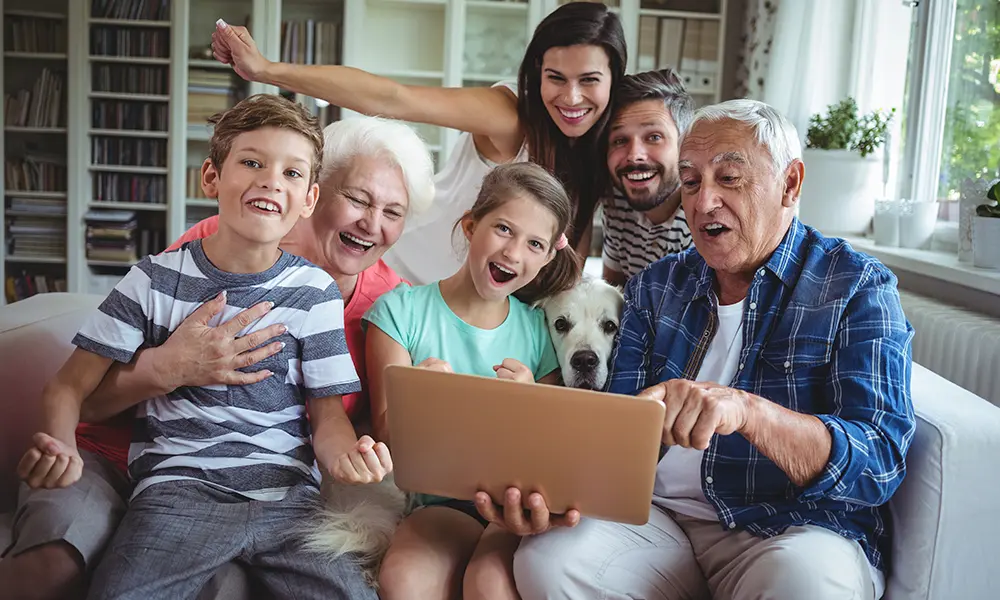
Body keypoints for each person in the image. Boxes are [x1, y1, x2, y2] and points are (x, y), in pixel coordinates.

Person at [0, 113, 435, 600]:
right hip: (171, 486)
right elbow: (71, 387)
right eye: (357, 198)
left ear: (305, 194)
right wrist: (163, 370)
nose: (371, 222)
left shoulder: (335, 297)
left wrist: (349, 458)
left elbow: (328, 418)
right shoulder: (160, 275)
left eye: (392, 212)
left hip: (286, 498)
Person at [513, 99, 916, 600]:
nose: (703, 203)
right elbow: (611, 425)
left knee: (805, 583)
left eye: (729, 178)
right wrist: (545, 484)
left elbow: (879, 461)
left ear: (790, 184)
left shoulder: (855, 286)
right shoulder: (656, 287)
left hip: (792, 529)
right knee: (546, 561)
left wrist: (748, 412)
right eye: (690, 181)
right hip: (660, 520)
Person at [210, 2, 627, 285]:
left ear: (614, 80)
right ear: (537, 73)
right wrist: (267, 69)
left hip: (466, 308)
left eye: (589, 80)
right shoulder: (510, 116)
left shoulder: (602, 151)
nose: (571, 98)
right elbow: (394, 98)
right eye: (556, 78)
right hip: (391, 271)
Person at [363, 162, 582, 600]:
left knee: (493, 586)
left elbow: (557, 450)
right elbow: (385, 438)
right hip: (441, 506)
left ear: (546, 256)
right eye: (503, 229)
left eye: (534, 243)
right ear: (470, 225)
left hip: (515, 509)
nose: (514, 253)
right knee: (406, 581)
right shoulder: (398, 313)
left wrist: (532, 401)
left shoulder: (541, 330)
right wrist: (420, 398)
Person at [602, 68, 694, 287]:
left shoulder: (701, 215)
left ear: (686, 145)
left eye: (654, 137)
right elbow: (613, 293)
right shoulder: (616, 203)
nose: (634, 155)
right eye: (619, 140)